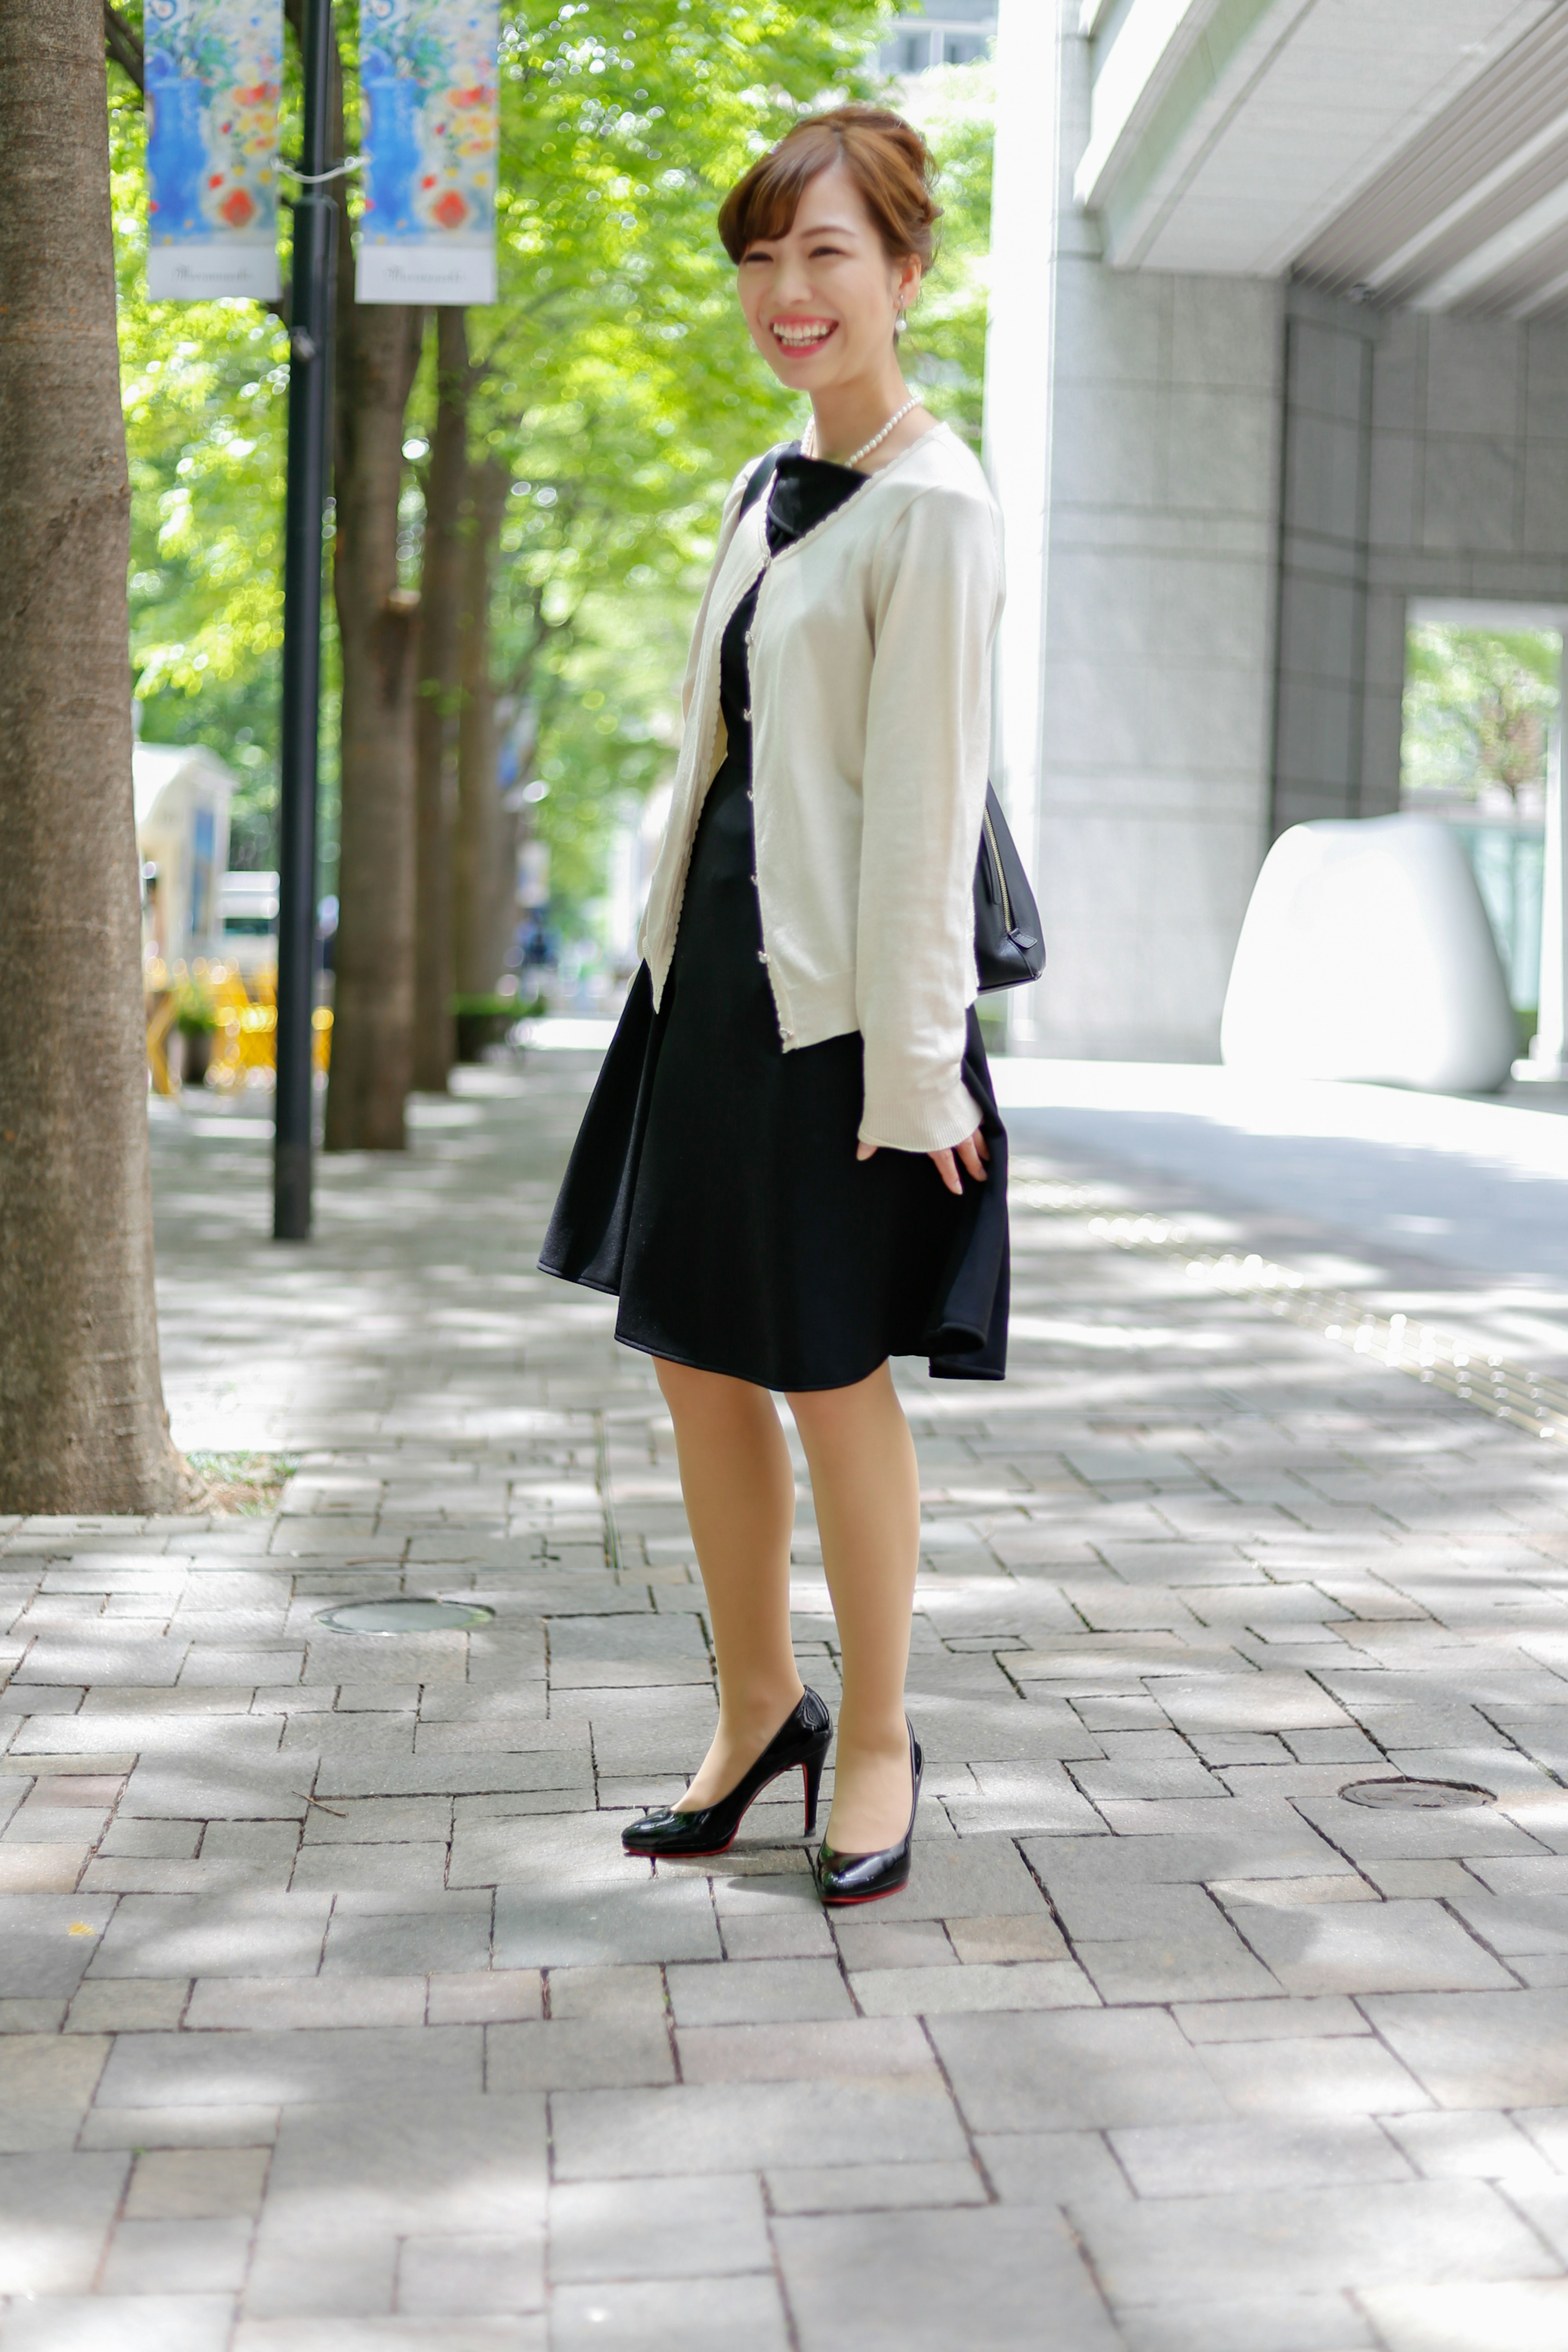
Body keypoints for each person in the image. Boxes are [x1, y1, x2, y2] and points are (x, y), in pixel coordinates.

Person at [540, 105, 1007, 1907]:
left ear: (905, 272)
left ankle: (876, 1737)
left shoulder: (934, 509)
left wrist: (918, 1069)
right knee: (699, 1366)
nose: (787, 292)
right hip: (709, 995)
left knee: (828, 1376)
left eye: (824, 255)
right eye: (761, 256)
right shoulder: (766, 482)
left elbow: (926, 820)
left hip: (833, 1015)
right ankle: (756, 1714)